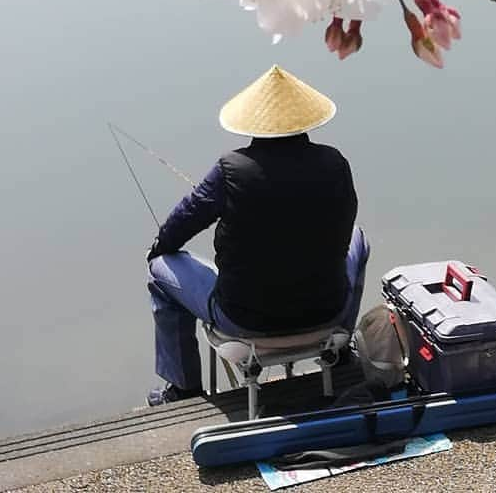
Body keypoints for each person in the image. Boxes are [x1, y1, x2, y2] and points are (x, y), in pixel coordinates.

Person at [146, 65, 369, 406]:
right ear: (305, 120)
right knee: (359, 240)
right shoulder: (335, 162)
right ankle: (339, 353)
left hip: (243, 319)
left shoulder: (230, 169)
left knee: (161, 271)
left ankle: (184, 389)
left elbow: (184, 220)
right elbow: (345, 221)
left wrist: (160, 248)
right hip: (326, 310)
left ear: (253, 125)